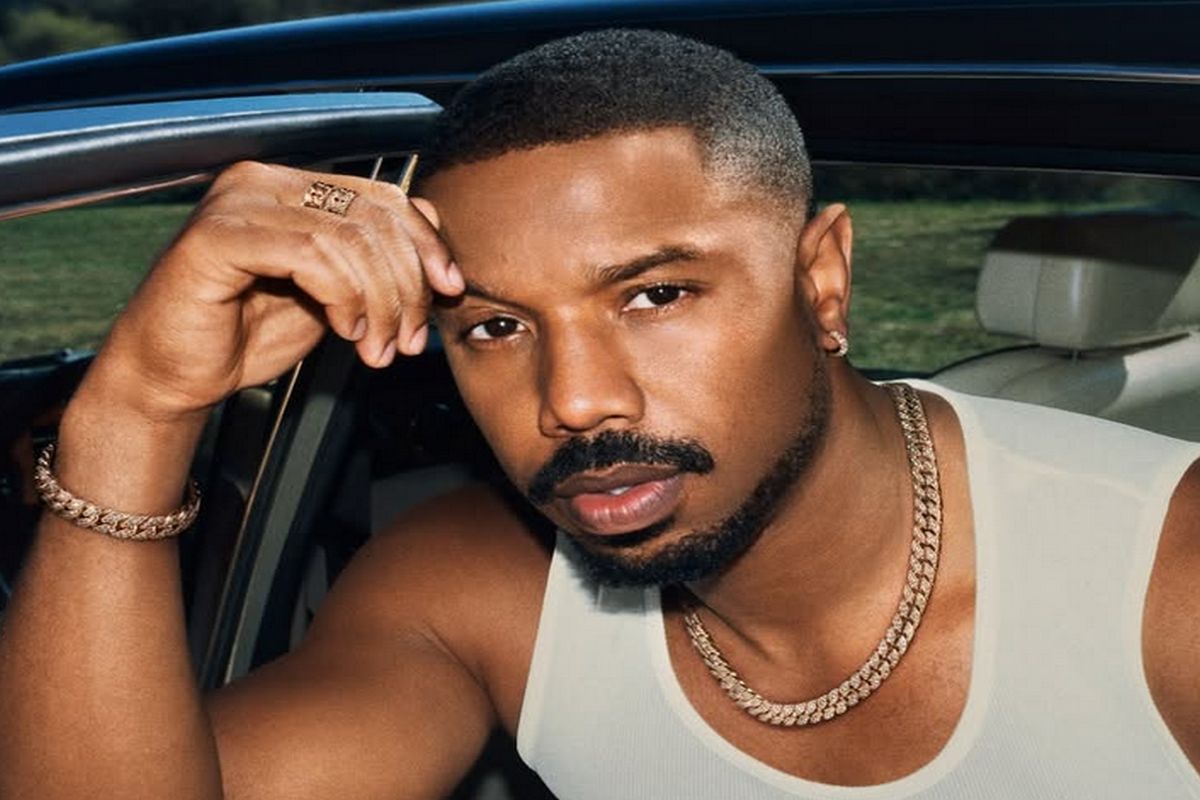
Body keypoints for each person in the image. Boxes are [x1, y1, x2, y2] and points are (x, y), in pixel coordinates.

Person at [1, 28, 1198, 800]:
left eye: (656, 294)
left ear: (822, 279)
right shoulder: (477, 589)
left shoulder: (1165, 584)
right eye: (495, 326)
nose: (574, 400)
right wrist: (135, 411)